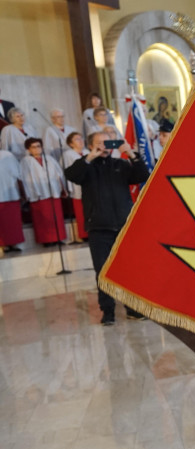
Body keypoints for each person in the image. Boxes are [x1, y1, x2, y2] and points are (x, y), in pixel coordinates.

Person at [65, 132, 150, 325]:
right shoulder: (86, 167)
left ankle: (132, 308)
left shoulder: (120, 165)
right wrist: (90, 157)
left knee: (128, 270)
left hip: (122, 226)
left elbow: (142, 174)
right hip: (98, 228)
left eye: (107, 143)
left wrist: (131, 154)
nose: (104, 146)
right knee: (102, 271)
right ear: (91, 146)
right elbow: (71, 175)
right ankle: (108, 310)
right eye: (99, 143)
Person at [20, 137, 66, 246]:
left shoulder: (49, 158)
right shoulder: (26, 161)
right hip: (37, 194)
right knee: (42, 219)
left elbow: (58, 173)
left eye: (38, 146)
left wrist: (61, 188)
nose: (37, 149)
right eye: (33, 147)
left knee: (56, 216)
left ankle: (58, 238)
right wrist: (28, 193)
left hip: (53, 192)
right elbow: (24, 178)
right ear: (28, 149)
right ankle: (46, 240)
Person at [63, 132, 88, 242]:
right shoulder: (68, 154)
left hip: (90, 185)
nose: (81, 141)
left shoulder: (88, 152)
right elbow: (67, 171)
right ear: (71, 143)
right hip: (77, 186)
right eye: (77, 139)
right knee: (81, 211)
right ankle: (83, 234)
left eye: (81, 138)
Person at [0, 149, 23, 252]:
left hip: (11, 192)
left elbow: (18, 173)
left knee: (12, 220)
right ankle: (2, 245)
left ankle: (14, 243)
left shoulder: (8, 154)